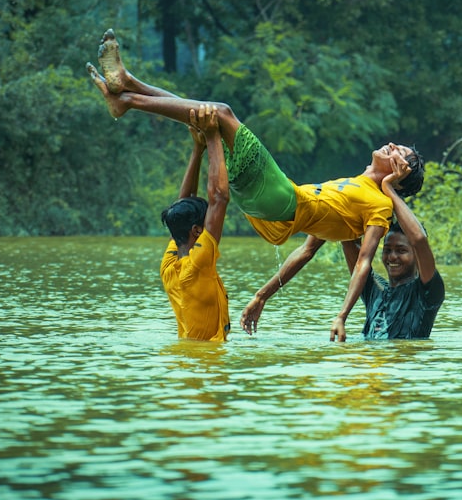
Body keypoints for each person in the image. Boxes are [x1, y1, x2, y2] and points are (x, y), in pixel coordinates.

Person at [87, 28, 425, 341]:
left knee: (221, 112)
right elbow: (305, 251)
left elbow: (365, 262)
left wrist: (342, 316)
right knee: (213, 118)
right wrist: (261, 296)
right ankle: (129, 84)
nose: (391, 146)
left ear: (401, 172)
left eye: (399, 154)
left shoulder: (378, 205)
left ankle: (127, 99)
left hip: (281, 200)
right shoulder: (354, 191)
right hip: (269, 210)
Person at [342, 170, 444, 339]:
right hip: (374, 363)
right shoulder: (373, 291)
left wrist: (388, 188)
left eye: (401, 250)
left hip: (403, 364)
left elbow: (418, 239)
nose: (392, 257)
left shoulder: (427, 294)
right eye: (387, 250)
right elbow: (348, 238)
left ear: (416, 256)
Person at [159, 104, 231, 342]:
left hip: (190, 358)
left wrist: (197, 149)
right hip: (208, 365)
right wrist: (212, 137)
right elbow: (219, 198)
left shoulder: (170, 265)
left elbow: (182, 204)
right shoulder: (199, 263)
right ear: (197, 230)